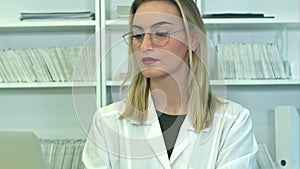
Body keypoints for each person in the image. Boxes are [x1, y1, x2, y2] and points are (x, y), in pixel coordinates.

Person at [82, 0, 258, 168]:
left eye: (161, 34)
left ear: (193, 40)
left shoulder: (233, 122)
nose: (144, 46)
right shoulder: (107, 122)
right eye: (137, 35)